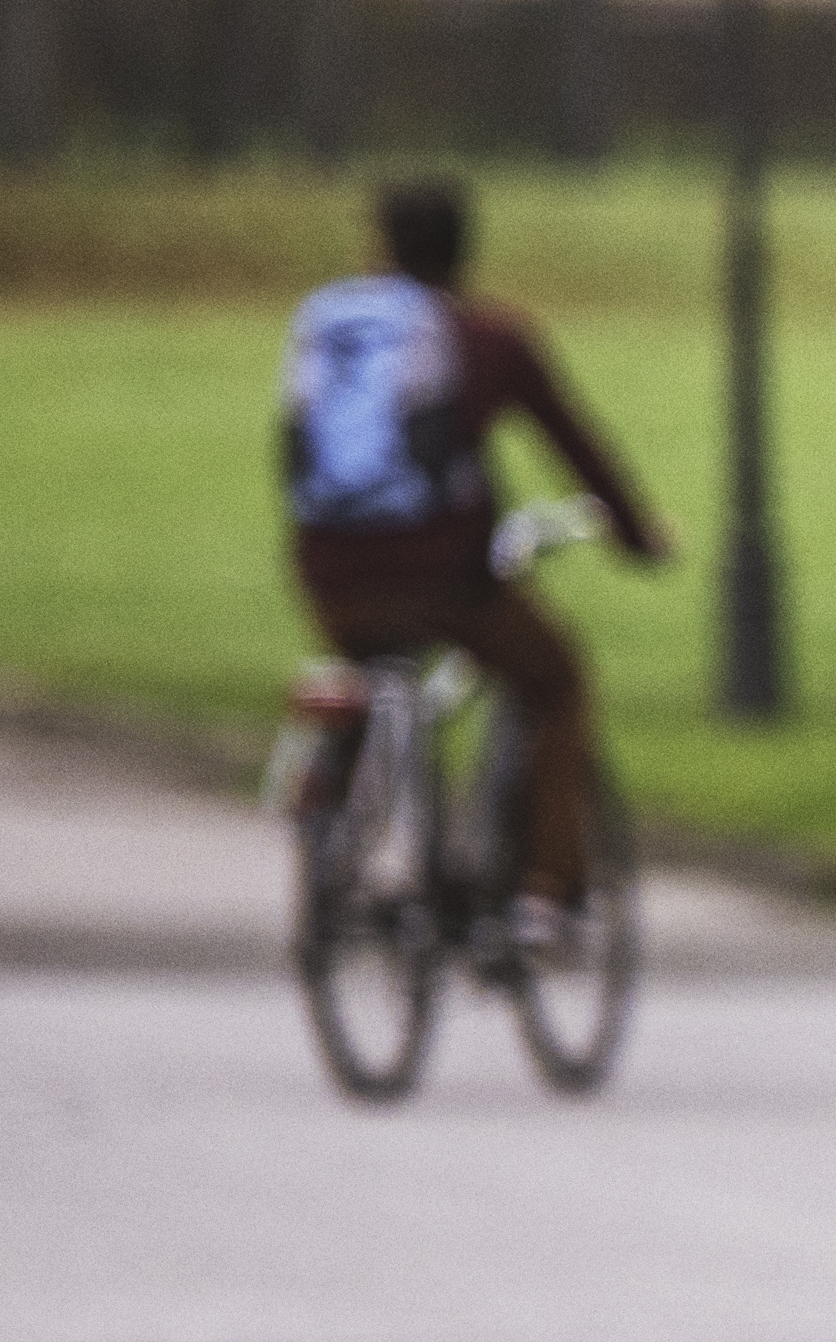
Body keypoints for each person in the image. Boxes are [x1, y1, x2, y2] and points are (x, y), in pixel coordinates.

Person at [278, 175, 667, 960]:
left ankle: (334, 846)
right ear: (464, 249)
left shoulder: (336, 335)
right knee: (557, 682)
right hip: (448, 581)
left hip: (331, 582)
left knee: (371, 668)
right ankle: (543, 895)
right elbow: (575, 445)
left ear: (379, 247)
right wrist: (634, 533)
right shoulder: (488, 338)